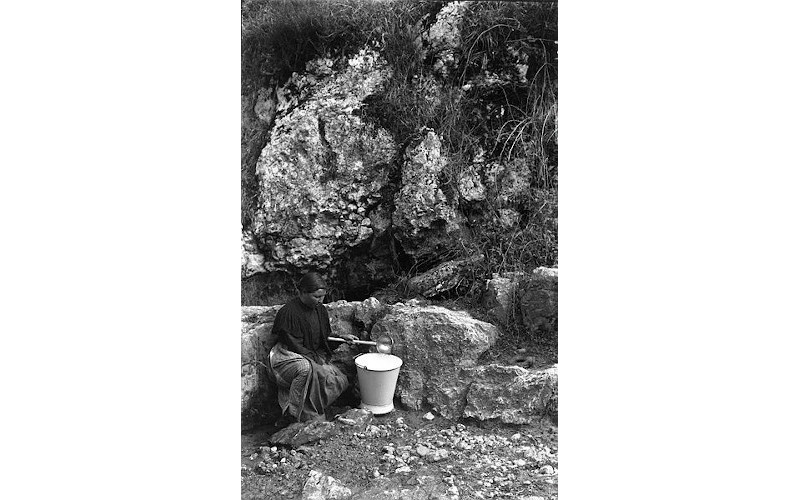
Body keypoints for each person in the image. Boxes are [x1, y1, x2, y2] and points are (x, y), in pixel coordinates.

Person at [268, 272, 359, 424]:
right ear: (303, 292)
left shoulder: (320, 310)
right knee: (309, 370)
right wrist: (318, 365)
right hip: (286, 356)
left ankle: (312, 407)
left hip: (311, 356)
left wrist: (342, 338)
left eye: (322, 296)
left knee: (341, 380)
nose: (320, 300)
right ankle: (296, 413)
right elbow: (294, 345)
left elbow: (324, 338)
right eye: (316, 296)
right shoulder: (288, 313)